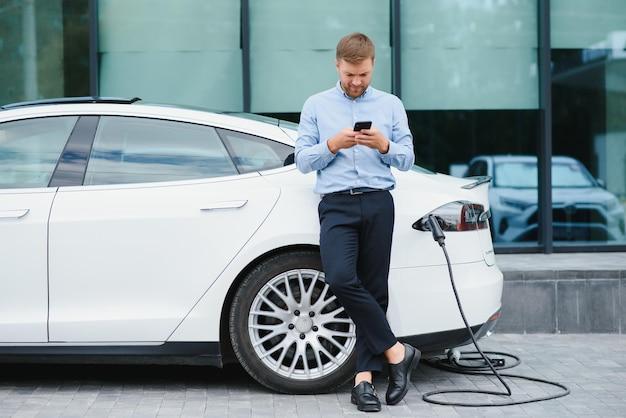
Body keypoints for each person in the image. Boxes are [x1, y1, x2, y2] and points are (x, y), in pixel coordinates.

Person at [295, 32, 418, 412]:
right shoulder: (316, 105)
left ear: (372, 66)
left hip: (379, 203)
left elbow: (408, 158)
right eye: (350, 74)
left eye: (362, 74)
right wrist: (332, 145)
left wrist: (383, 146)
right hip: (337, 205)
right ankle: (398, 353)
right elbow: (301, 160)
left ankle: (363, 382)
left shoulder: (391, 105)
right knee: (340, 278)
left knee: (375, 291)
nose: (356, 81)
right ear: (337, 65)